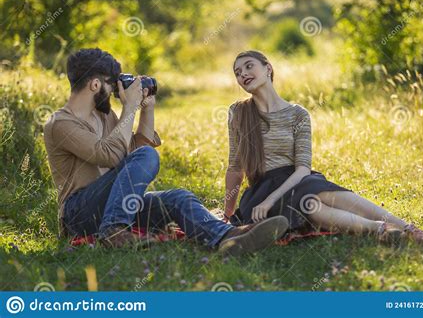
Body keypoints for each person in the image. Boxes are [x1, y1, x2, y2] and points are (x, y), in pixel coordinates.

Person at [44, 48, 289, 255]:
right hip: (79, 215)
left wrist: (146, 109)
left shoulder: (104, 116)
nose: (118, 91)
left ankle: (228, 237)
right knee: (147, 157)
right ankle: (114, 231)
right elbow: (108, 155)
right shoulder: (61, 123)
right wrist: (129, 106)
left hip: (113, 205)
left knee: (177, 197)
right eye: (112, 84)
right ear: (95, 84)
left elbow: (136, 154)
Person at [223, 50, 423, 244]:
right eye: (238, 73)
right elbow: (235, 167)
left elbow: (303, 168)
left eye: (249, 66)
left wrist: (272, 200)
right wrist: (227, 214)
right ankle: (383, 228)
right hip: (262, 189)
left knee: (312, 201)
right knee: (310, 200)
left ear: (268, 68)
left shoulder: (298, 114)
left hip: (297, 180)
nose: (243, 74)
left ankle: (400, 228)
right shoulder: (238, 113)